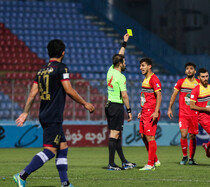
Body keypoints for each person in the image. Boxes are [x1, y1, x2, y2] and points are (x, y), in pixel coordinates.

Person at [13, 39, 95, 187]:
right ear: (63, 53)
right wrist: (85, 103)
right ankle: (22, 175)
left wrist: (25, 112)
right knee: (50, 151)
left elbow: (32, 93)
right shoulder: (61, 68)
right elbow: (69, 90)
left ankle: (65, 183)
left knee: (63, 148)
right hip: (53, 116)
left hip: (44, 113)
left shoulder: (41, 70)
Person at [105, 33, 136, 171]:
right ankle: (111, 164)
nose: (125, 64)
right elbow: (125, 95)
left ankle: (123, 162)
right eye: (124, 62)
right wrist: (129, 111)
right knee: (114, 134)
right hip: (117, 106)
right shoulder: (121, 77)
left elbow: (119, 55)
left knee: (116, 134)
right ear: (120, 64)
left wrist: (124, 43)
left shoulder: (110, 70)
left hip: (109, 105)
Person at [168, 62, 199, 165]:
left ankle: (191, 158)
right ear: (185, 71)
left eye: (191, 68)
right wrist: (169, 108)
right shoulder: (181, 82)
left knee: (192, 136)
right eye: (187, 68)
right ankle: (185, 156)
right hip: (183, 114)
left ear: (195, 71)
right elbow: (174, 95)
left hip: (194, 114)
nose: (189, 70)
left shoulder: (198, 83)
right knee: (184, 134)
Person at [138, 58, 162, 171]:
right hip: (144, 111)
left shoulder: (154, 79)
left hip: (151, 112)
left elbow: (159, 96)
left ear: (149, 66)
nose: (141, 68)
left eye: (143, 65)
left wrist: (156, 111)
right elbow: (145, 97)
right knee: (143, 136)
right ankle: (155, 160)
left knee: (150, 137)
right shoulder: (145, 79)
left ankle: (150, 164)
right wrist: (141, 111)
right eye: (140, 66)